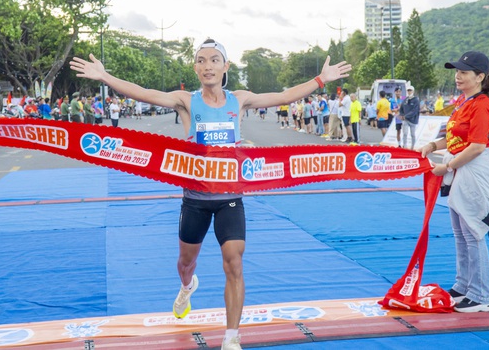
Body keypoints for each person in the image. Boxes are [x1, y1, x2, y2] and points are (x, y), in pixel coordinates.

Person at [71, 38, 350, 350]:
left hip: (230, 196)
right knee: (185, 262)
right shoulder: (187, 101)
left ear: (225, 67)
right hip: (195, 198)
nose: (208, 66)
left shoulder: (239, 100)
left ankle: (231, 338)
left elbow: (283, 95)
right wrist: (106, 77)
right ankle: (187, 286)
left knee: (234, 261)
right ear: (195, 67)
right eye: (201, 60)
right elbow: (144, 93)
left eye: (214, 60)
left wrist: (320, 80)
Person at [420, 51, 489, 313]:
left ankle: (480, 294)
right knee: (460, 232)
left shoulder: (482, 104)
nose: (458, 76)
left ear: (480, 77)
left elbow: (476, 146)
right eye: (457, 71)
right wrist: (432, 144)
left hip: (472, 170)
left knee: (473, 232)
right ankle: (463, 284)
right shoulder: (463, 102)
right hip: (458, 168)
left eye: (464, 72)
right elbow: (453, 136)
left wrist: (447, 166)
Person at [399, 85, 421, 149]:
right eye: (408, 90)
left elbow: (415, 110)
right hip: (406, 120)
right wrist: (402, 115)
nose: (409, 91)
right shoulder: (405, 99)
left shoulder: (416, 100)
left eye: (410, 90)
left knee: (412, 134)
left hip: (413, 120)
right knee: (405, 133)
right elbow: (401, 108)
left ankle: (413, 146)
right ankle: (405, 146)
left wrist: (406, 116)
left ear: (413, 91)